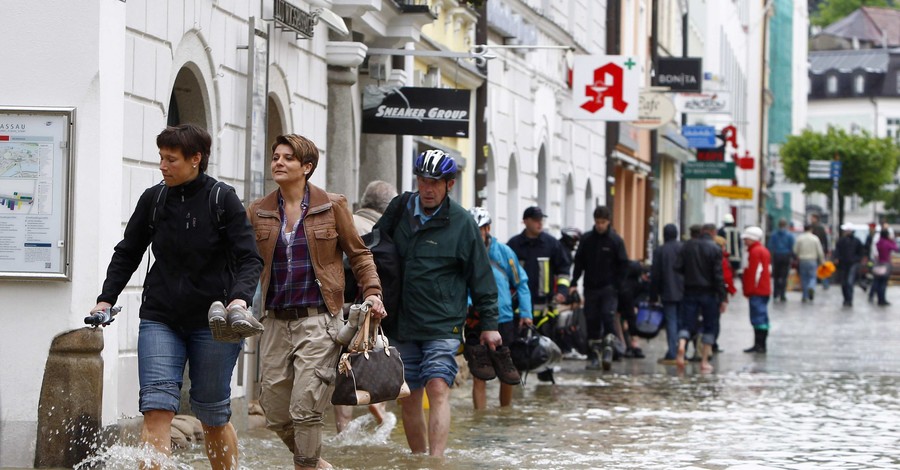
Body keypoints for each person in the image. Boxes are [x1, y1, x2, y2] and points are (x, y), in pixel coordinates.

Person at [91, 124, 264, 470]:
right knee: (156, 409)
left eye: (171, 159)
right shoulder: (153, 200)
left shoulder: (222, 199)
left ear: (196, 159)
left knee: (213, 415)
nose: (162, 165)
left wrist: (240, 299)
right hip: (161, 318)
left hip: (214, 323)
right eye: (161, 157)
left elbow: (250, 259)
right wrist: (105, 299)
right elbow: (128, 252)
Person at [248, 134, 385, 470]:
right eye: (275, 156)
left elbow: (359, 254)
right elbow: (244, 262)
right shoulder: (258, 211)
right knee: (275, 411)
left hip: (319, 320)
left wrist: (372, 292)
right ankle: (316, 464)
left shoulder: (331, 206)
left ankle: (307, 465)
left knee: (306, 408)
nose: (278, 162)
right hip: (275, 320)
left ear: (306, 167)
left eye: (287, 158)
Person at [374, 149, 500, 457]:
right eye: (422, 180)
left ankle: (436, 460)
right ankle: (419, 459)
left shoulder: (462, 224)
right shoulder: (400, 208)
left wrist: (490, 325)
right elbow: (375, 248)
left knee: (438, 387)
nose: (427, 188)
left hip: (443, 323)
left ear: (450, 184)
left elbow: (481, 277)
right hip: (401, 321)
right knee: (408, 395)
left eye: (435, 182)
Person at [334, 180, 397, 433]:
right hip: (365, 308)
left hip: (336, 308)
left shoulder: (346, 221)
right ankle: (383, 418)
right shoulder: (378, 232)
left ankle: (342, 429)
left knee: (342, 366)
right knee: (372, 361)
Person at [464, 207, 531, 409]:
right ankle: (480, 418)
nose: (476, 234)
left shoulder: (504, 253)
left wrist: (527, 313)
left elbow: (521, 282)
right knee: (479, 372)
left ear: (488, 228)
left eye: (480, 229)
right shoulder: (463, 252)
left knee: (507, 372)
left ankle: (505, 413)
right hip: (475, 319)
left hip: (504, 319)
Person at [507, 206, 573, 380]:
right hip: (518, 310)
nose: (539, 223)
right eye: (535, 220)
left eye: (541, 220)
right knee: (517, 353)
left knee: (544, 354)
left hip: (545, 309)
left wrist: (563, 291)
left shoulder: (551, 244)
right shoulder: (514, 245)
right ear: (525, 221)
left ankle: (545, 393)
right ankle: (516, 386)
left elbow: (564, 270)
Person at [571, 206, 629, 371]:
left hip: (609, 288)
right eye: (597, 222)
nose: (600, 225)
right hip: (590, 287)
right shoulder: (587, 239)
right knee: (592, 320)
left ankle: (609, 350)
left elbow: (624, 265)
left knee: (608, 317)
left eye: (603, 222)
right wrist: (574, 282)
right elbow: (579, 262)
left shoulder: (615, 240)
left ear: (608, 222)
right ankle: (594, 355)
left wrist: (618, 286)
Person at [674, 225, 727, 373]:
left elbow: (677, 267)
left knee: (686, 324)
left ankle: (682, 346)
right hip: (709, 293)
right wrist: (723, 297)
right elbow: (718, 276)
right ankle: (704, 362)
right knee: (709, 326)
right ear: (713, 233)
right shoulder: (715, 248)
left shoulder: (687, 246)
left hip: (690, 290)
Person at [650, 223, 683, 364]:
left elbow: (655, 274)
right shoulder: (683, 248)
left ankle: (672, 352)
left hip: (668, 291)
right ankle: (682, 348)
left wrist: (653, 294)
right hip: (683, 291)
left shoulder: (660, 251)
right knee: (682, 321)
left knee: (671, 322)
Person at [741, 227, 772, 354]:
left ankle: (759, 345)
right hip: (763, 289)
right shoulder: (763, 250)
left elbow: (753, 273)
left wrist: (749, 290)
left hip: (757, 290)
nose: (744, 241)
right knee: (762, 317)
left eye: (746, 239)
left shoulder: (755, 252)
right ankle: (760, 344)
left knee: (758, 318)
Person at [833, 223, 865, 307]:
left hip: (852, 264)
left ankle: (849, 299)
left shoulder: (856, 241)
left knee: (849, 282)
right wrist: (837, 258)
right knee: (844, 283)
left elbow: (861, 252)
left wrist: (857, 259)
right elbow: (837, 251)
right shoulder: (841, 241)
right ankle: (846, 299)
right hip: (843, 264)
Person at [793, 225, 825, 303]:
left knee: (804, 278)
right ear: (811, 229)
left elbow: (795, 250)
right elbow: (820, 251)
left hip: (803, 260)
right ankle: (811, 287)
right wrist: (822, 262)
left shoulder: (800, 238)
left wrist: (798, 256)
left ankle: (805, 296)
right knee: (812, 277)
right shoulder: (815, 238)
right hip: (812, 260)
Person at [767, 218, 795, 302]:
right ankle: (782, 294)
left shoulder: (774, 234)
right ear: (785, 225)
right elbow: (792, 246)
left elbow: (770, 245)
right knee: (784, 276)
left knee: (776, 276)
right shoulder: (789, 235)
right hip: (786, 256)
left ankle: (775, 293)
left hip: (777, 256)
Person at [872, 228, 897, 306]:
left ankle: (879, 298)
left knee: (878, 282)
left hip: (878, 263)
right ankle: (882, 300)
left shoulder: (879, 242)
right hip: (885, 263)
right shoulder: (887, 243)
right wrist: (892, 241)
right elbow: (896, 249)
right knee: (883, 283)